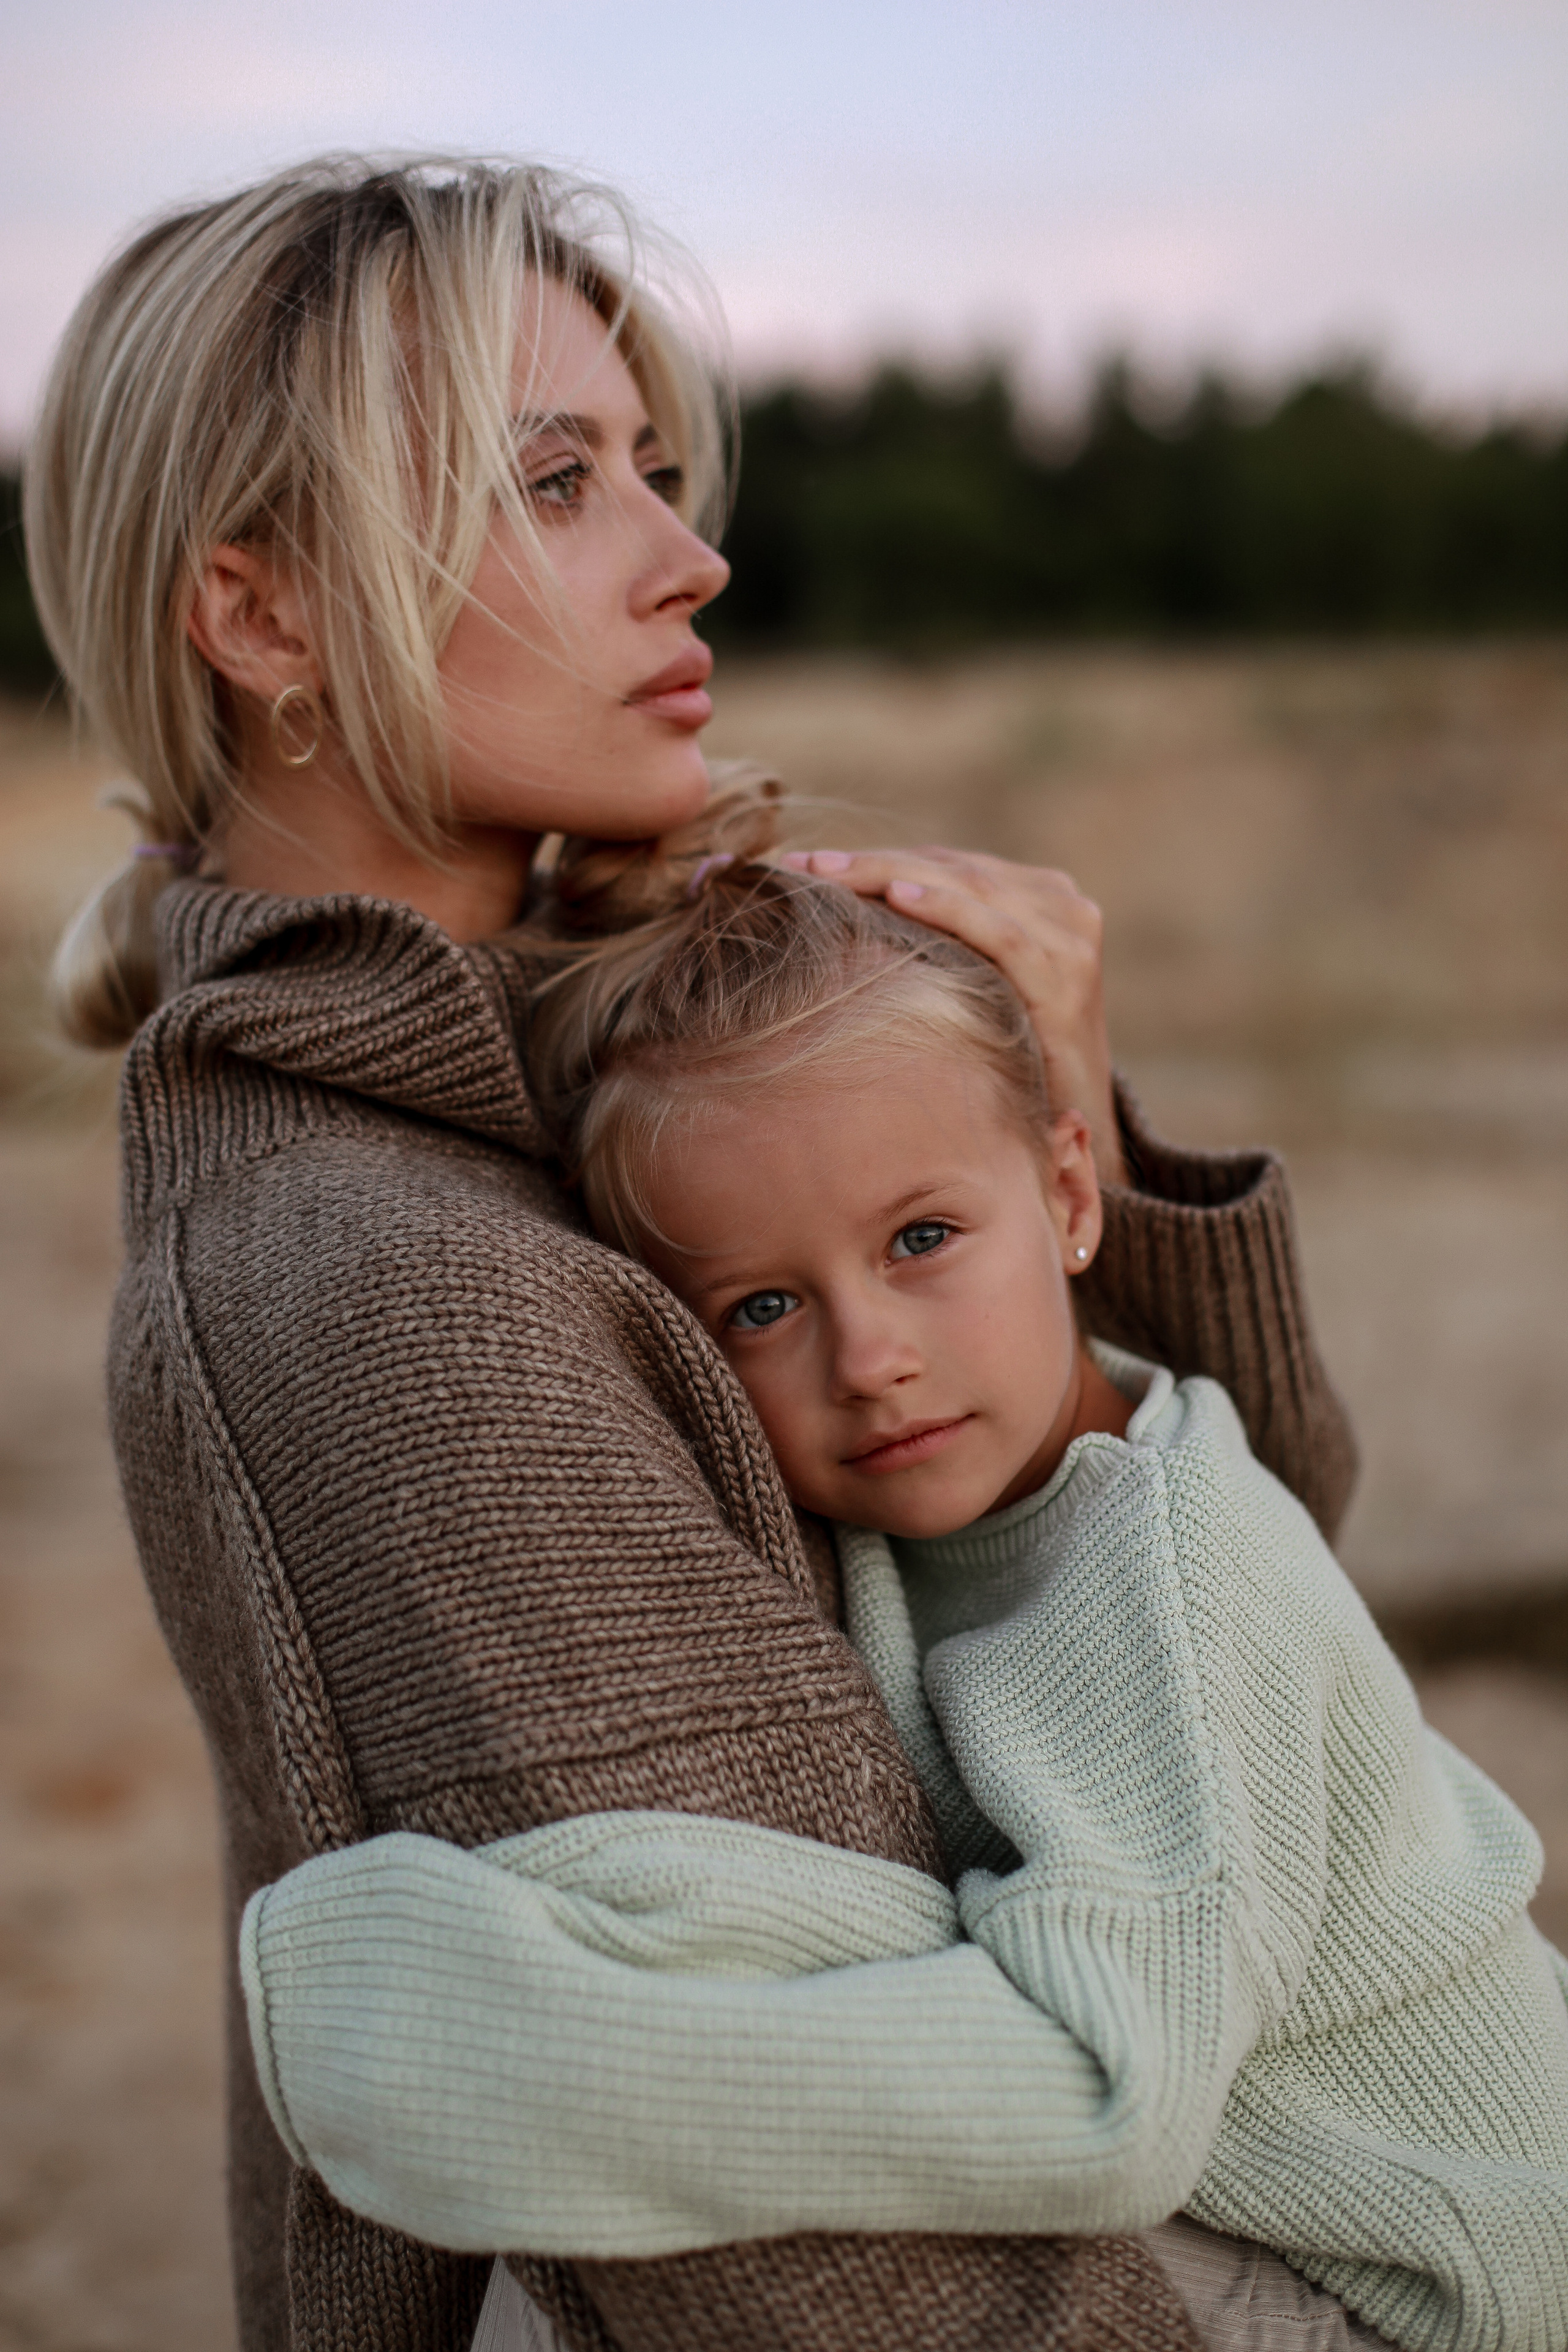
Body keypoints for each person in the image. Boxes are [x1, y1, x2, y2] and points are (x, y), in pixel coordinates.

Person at [25, 154, 1357, 2352]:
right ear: (259, 616)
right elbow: (835, 2243)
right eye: (557, 483)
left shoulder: (626, 1073)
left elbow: (1248, 1654)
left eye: (649, 465)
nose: (692, 552)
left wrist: (1066, 1168)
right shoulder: (376, 1282)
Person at [242, 790, 1568, 2352]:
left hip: (1420, 2291)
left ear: (1072, 1196)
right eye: (757, 1311)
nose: (868, 1360)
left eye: (923, 1239)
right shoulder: (925, 1514)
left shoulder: (1167, 1581)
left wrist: (502, 2053)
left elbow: (1102, 2091)